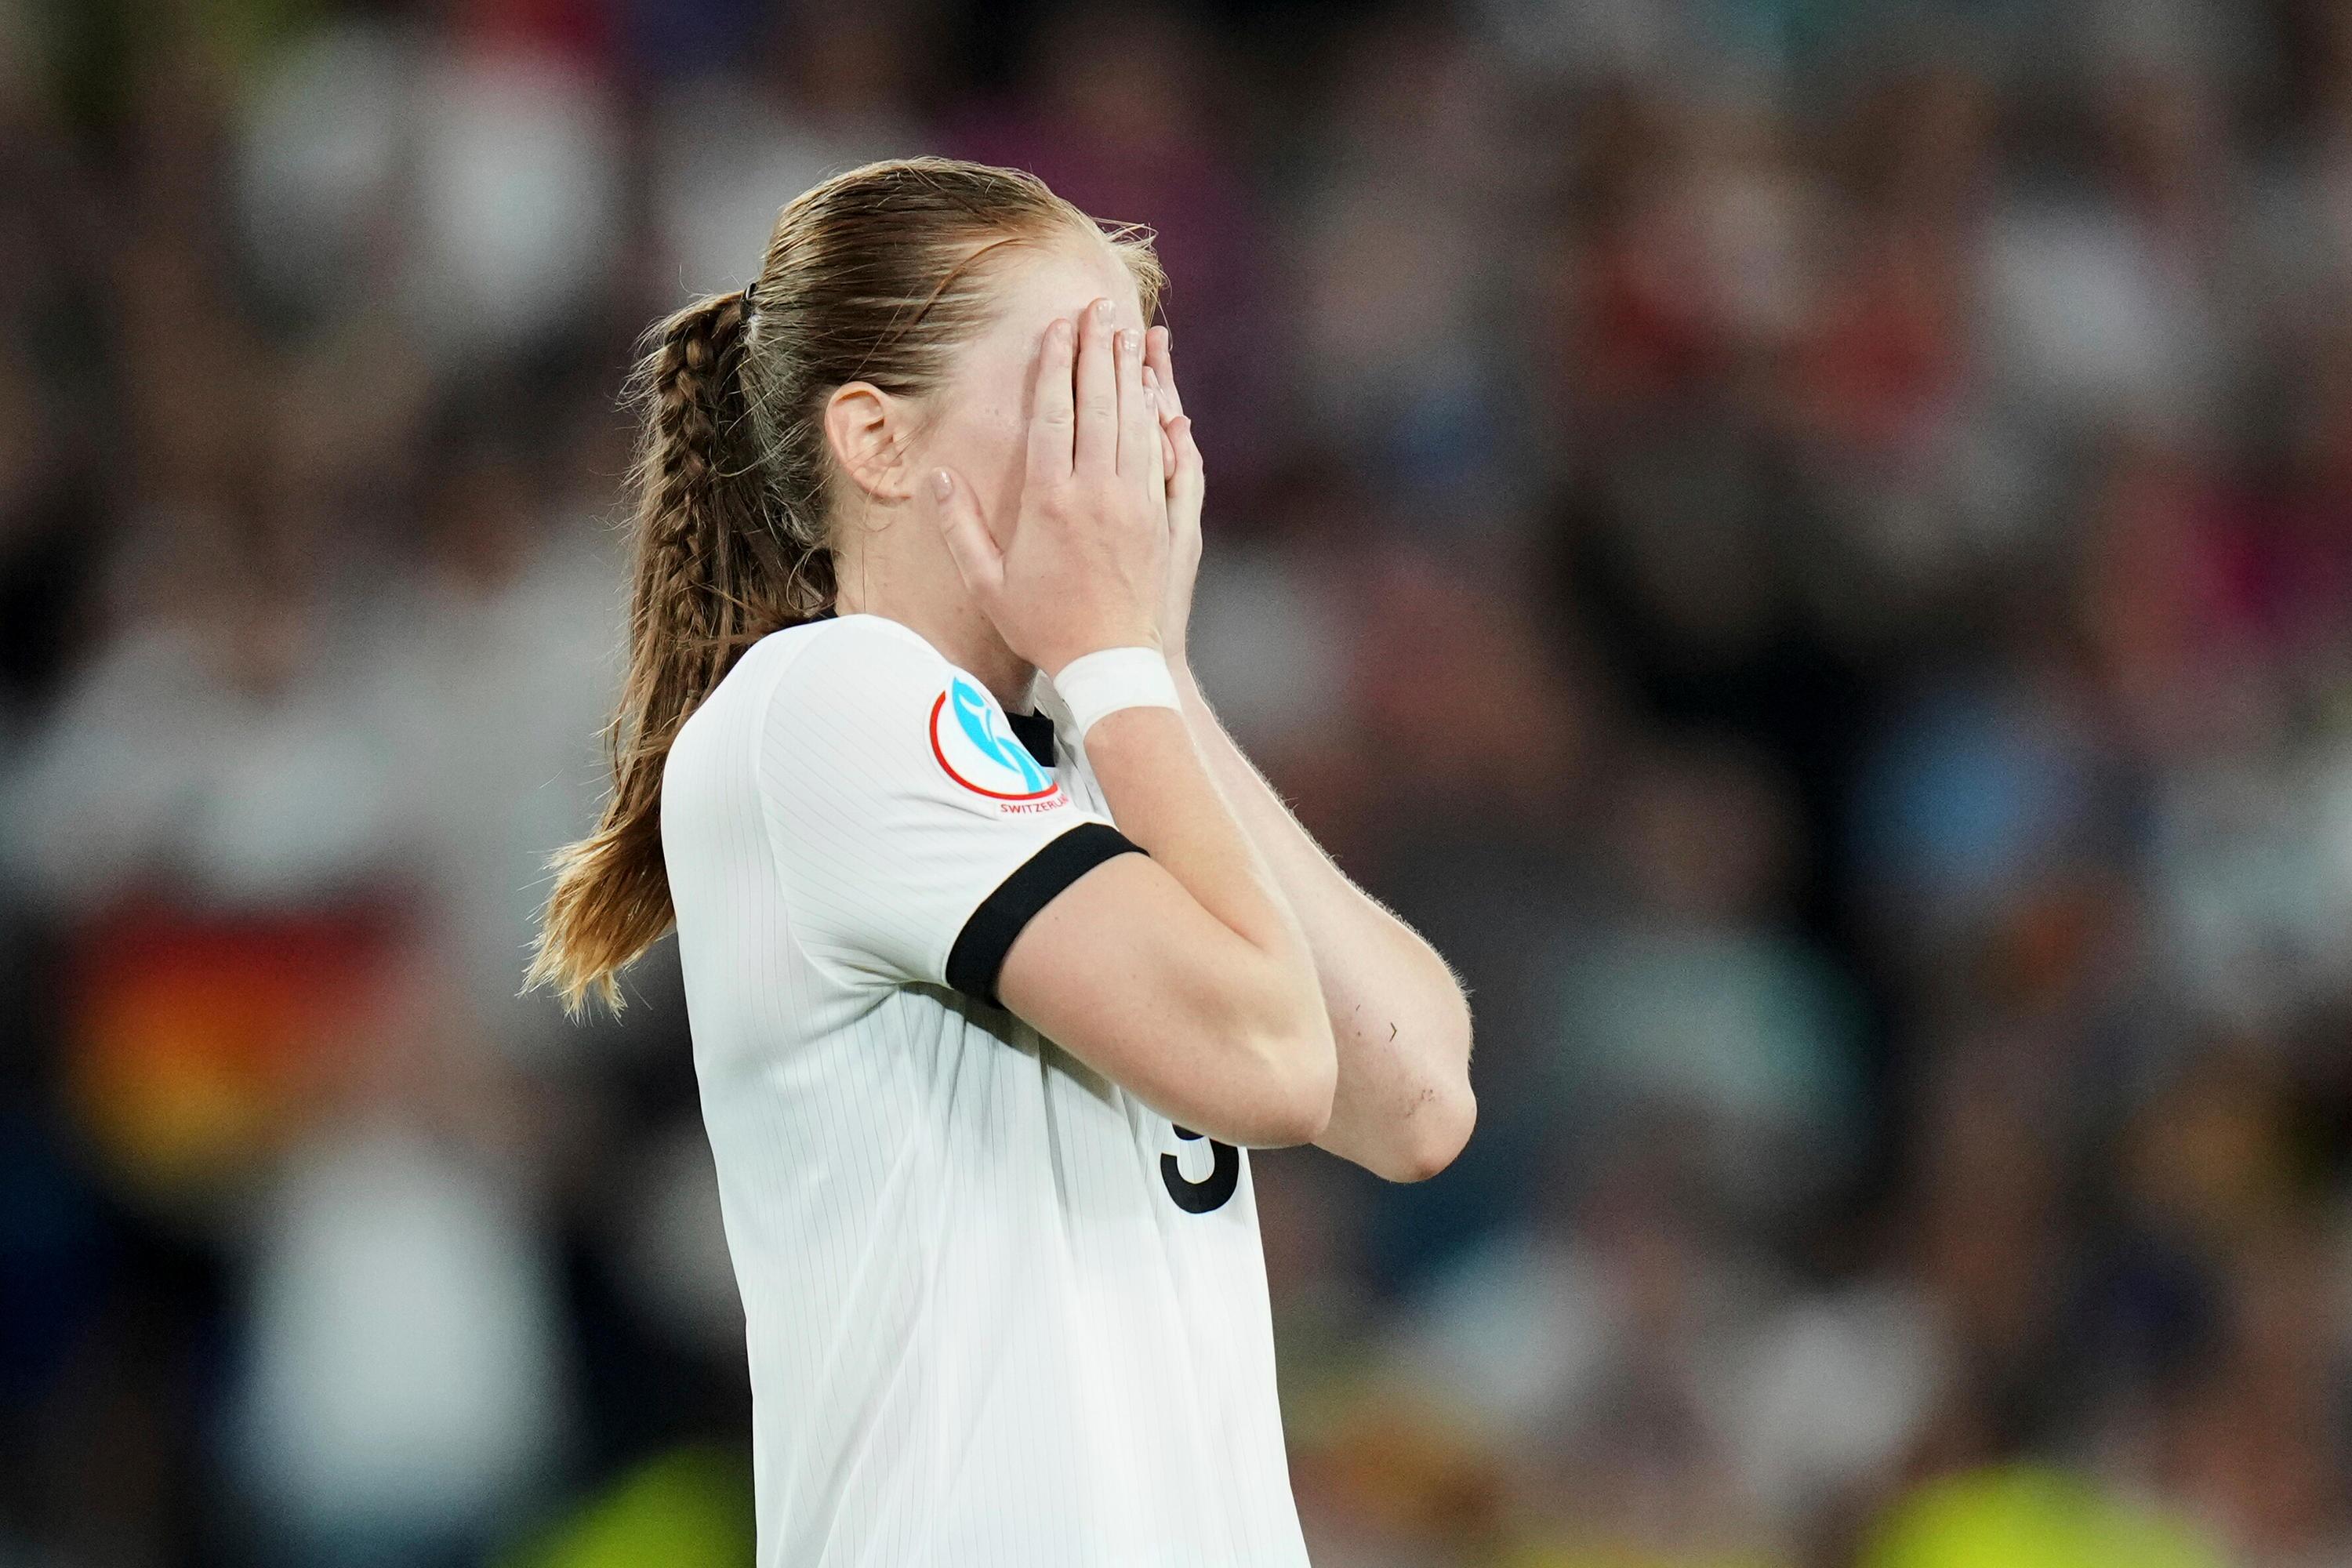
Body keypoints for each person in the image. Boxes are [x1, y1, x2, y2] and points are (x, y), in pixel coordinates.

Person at [525, 157, 1475, 1566]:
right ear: (878, 441)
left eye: (1137, 384)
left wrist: (1150, 673)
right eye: (1069, 387)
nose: (1128, 451)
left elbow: (1416, 1104)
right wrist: (1120, 662)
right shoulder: (832, 704)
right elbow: (1274, 1065)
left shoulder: (1099, 735)